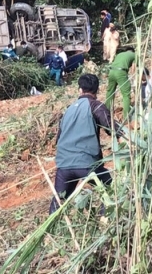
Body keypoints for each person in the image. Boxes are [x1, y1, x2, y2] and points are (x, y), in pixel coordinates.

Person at [50, 73, 115, 214]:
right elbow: (112, 128)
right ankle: (106, 220)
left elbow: (58, 138)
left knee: (59, 201)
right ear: (97, 90)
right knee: (111, 189)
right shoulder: (96, 106)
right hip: (87, 165)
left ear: (79, 90)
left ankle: (51, 232)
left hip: (64, 165)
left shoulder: (68, 110)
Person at [106, 47, 136, 120]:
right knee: (126, 95)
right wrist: (133, 79)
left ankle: (106, 112)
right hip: (121, 73)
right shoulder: (134, 55)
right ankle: (126, 117)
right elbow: (134, 68)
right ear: (132, 51)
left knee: (110, 92)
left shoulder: (119, 54)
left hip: (111, 72)